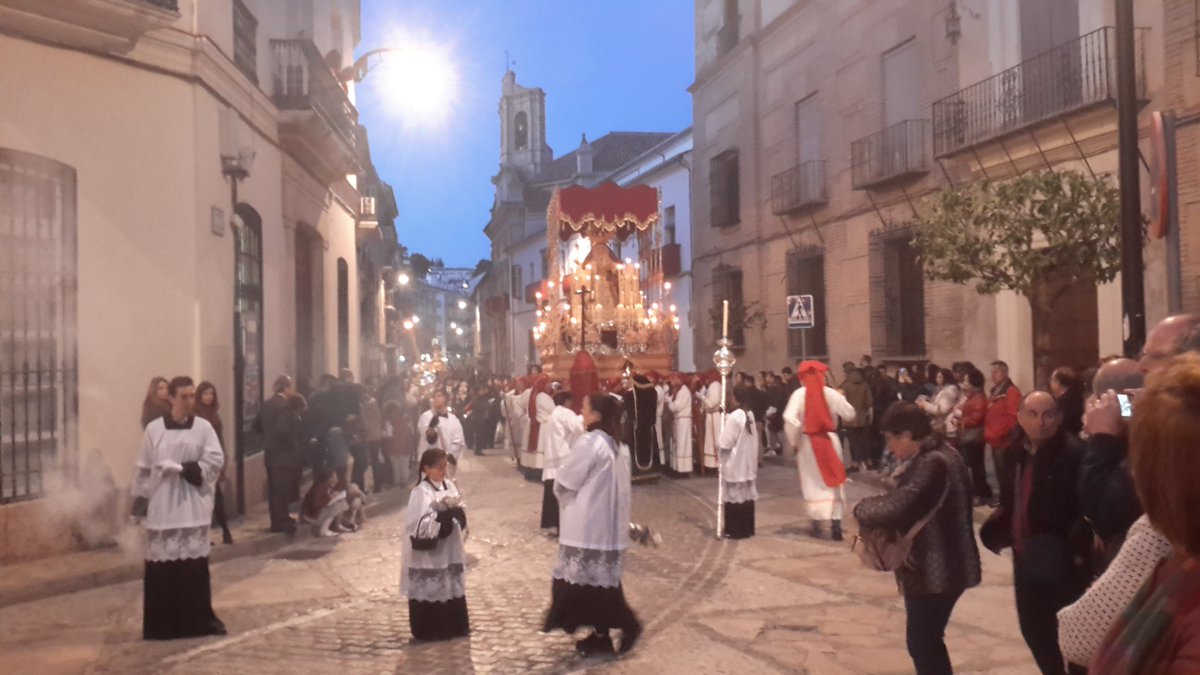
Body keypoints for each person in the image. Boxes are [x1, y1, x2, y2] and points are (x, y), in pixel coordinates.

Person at [1089, 355, 1200, 673]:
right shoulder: (1176, 563)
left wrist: (1102, 442)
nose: (1142, 367)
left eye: (1155, 357)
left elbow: (1077, 635)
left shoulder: (1156, 545)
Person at [853, 402, 981, 675]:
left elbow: (899, 507)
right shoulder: (940, 455)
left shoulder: (934, 463)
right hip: (939, 566)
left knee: (923, 642)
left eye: (890, 439)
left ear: (908, 435)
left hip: (938, 569)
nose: (889, 447)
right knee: (925, 641)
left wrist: (861, 509)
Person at [980, 391, 1091, 675]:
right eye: (1032, 414)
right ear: (1019, 417)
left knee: (1072, 630)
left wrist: (1076, 547)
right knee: (1034, 627)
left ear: (1059, 418)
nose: (1040, 422)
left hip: (1064, 558)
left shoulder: (1074, 454)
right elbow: (1013, 497)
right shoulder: (1015, 452)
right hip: (1026, 555)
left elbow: (1086, 505)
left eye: (1048, 414)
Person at [542, 393, 643, 656]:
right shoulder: (620, 447)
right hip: (609, 528)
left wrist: (562, 492)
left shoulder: (590, 443)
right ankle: (601, 637)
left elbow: (567, 481)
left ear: (597, 414)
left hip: (587, 527)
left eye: (585, 407)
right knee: (600, 584)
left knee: (585, 587)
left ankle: (628, 624)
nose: (582, 412)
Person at [131, 376, 226, 640]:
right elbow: (143, 470)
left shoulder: (203, 428)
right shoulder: (154, 430)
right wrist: (138, 505)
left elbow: (215, 461)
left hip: (192, 506)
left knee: (193, 570)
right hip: (163, 507)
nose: (189, 401)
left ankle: (196, 622)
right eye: (184, 396)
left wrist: (184, 469)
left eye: (192, 396)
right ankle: (162, 626)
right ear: (171, 398)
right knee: (163, 571)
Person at [783, 360, 856, 541]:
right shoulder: (831, 393)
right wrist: (841, 398)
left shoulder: (799, 394)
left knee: (812, 483)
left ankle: (816, 523)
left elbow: (790, 418)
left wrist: (794, 440)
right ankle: (836, 525)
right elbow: (850, 414)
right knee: (833, 482)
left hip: (808, 442)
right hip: (830, 440)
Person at [401, 449, 469, 641]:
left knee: (450, 582)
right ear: (426, 468)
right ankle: (431, 629)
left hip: (450, 545)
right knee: (433, 584)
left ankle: (456, 626)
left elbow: (458, 506)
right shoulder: (420, 492)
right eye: (439, 467)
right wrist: (440, 516)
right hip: (430, 550)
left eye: (445, 467)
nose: (444, 471)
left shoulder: (449, 485)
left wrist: (457, 512)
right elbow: (417, 522)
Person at [260, 375, 301, 534]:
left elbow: (257, 424)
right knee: (282, 490)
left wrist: (268, 437)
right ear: (286, 388)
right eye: (291, 387)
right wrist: (292, 443)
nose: (293, 390)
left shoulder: (267, 404)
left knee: (274, 490)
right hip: (283, 454)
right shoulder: (285, 406)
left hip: (270, 453)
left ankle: (279, 519)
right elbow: (283, 429)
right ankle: (280, 522)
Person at [193, 382, 233, 545]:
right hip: (201, 461)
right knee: (204, 499)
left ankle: (225, 531)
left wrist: (223, 456)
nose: (209, 397)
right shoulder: (195, 414)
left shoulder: (214, 414)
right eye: (205, 393)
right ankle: (205, 534)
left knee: (217, 497)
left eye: (211, 393)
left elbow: (219, 437)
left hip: (214, 460)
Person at [718, 386, 759, 539]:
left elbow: (725, 442)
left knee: (735, 498)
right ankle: (747, 529)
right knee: (746, 497)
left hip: (735, 463)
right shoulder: (749, 414)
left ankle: (734, 530)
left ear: (734, 397)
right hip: (747, 463)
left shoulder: (735, 417)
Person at [541, 390, 584, 532]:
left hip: (552, 459)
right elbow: (578, 427)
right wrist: (584, 416)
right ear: (566, 401)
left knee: (550, 494)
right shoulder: (565, 413)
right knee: (562, 495)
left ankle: (551, 525)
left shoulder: (553, 414)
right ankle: (563, 526)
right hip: (563, 460)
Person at [984, 360, 1021, 507]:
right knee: (999, 473)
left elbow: (1013, 417)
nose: (992, 375)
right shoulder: (995, 390)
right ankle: (1004, 500)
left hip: (1005, 440)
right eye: (991, 372)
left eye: (996, 372)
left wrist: (999, 432)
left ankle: (1008, 502)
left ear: (1005, 373)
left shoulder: (1011, 391)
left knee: (1006, 474)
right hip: (995, 438)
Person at [956, 369, 992, 506]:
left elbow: (976, 418)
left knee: (976, 467)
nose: (964, 383)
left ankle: (982, 493)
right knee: (975, 466)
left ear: (973, 382)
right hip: (970, 436)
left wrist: (961, 422)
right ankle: (981, 492)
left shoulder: (978, 398)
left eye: (967, 380)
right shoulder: (972, 396)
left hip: (974, 437)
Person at [417, 391, 466, 479]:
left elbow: (458, 440)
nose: (436, 398)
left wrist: (449, 454)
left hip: (447, 463)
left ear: (446, 399)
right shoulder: (426, 416)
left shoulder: (453, 419)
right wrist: (431, 427)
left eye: (439, 396)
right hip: (430, 462)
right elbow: (428, 438)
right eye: (434, 396)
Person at [840, 367, 874, 472]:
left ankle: (855, 463)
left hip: (850, 419)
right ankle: (867, 462)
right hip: (863, 418)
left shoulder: (845, 385)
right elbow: (869, 402)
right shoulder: (865, 385)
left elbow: (842, 402)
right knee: (864, 441)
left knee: (853, 442)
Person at [917, 368, 960, 439]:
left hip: (944, 423)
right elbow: (938, 402)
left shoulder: (948, 391)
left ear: (946, 378)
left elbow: (942, 410)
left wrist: (924, 404)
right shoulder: (942, 389)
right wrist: (928, 399)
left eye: (940, 377)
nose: (937, 379)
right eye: (937, 377)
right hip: (939, 422)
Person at [666, 374, 694, 476]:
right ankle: (677, 468)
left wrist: (668, 400)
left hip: (683, 422)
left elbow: (676, 407)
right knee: (678, 444)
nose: (673, 381)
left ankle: (683, 470)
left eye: (675, 378)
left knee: (682, 445)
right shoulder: (680, 390)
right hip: (679, 421)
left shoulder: (684, 391)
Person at [1049, 367, 1085, 437]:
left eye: (1051, 380)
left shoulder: (1060, 404)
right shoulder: (1079, 397)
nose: (1050, 383)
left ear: (1057, 383)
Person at [700, 373, 722, 473]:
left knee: (715, 439)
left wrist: (702, 397)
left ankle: (718, 464)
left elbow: (711, 403)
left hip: (714, 416)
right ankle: (714, 464)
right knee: (712, 440)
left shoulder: (715, 385)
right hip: (712, 416)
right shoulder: (715, 385)